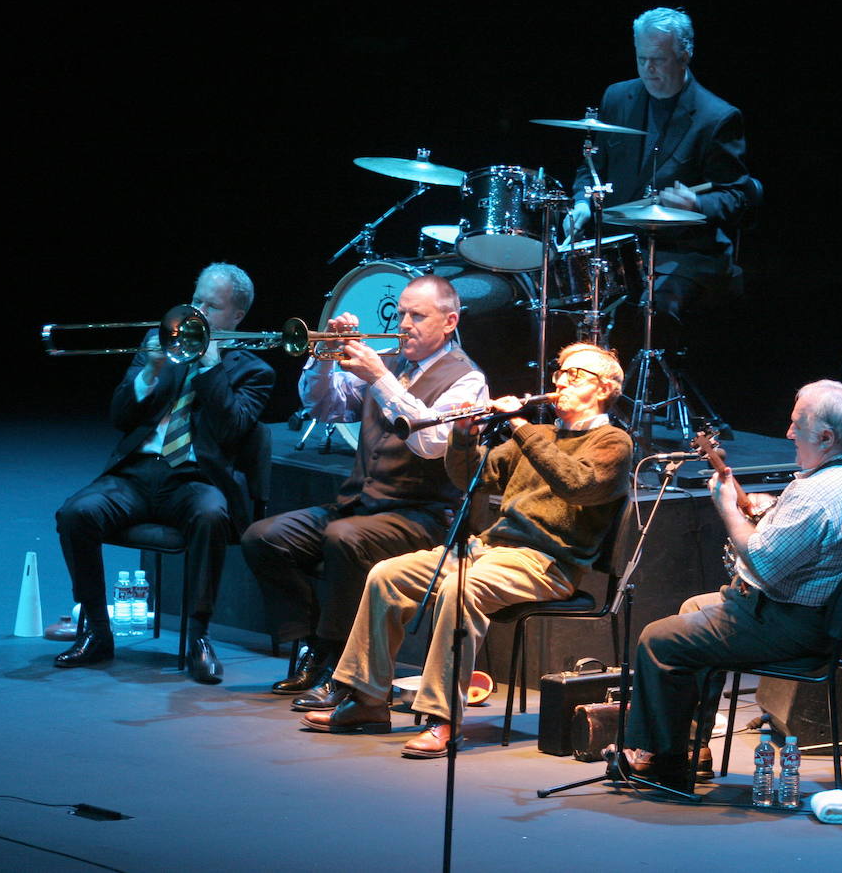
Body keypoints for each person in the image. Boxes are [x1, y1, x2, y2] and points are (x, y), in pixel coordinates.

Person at [301, 343, 632, 759]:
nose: (560, 381)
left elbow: (576, 484)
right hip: (489, 550)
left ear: (603, 388)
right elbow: (469, 478)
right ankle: (367, 700)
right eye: (560, 372)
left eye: (573, 375)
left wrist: (518, 426)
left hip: (547, 563)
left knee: (462, 589)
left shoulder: (612, 442)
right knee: (388, 575)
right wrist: (463, 435)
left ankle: (445, 718)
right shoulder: (541, 436)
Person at [617, 380, 842, 786]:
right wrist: (774, 510)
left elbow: (762, 563)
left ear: (826, 436)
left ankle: (664, 763)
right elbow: (819, 534)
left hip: (793, 625)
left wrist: (728, 507)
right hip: (825, 621)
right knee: (694, 609)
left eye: (796, 424)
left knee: (658, 640)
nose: (788, 433)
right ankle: (691, 749)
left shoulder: (816, 495)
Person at [240, 275, 487, 705]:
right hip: (361, 505)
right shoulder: (392, 361)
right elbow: (324, 405)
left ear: (449, 322)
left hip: (422, 518)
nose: (403, 323)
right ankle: (311, 647)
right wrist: (325, 358)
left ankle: (342, 671)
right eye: (403, 312)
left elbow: (430, 443)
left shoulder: (467, 380)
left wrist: (379, 379)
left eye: (417, 316)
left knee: (344, 538)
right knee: (264, 538)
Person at [54, 262, 275, 683]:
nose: (198, 311)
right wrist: (151, 371)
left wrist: (210, 367)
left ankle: (199, 638)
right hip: (136, 473)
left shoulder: (254, 371)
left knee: (212, 515)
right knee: (75, 514)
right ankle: (98, 634)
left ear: (236, 317)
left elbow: (232, 430)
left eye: (212, 305)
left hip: (194, 479)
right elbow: (120, 416)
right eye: (196, 300)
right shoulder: (159, 345)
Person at [564, 7, 752, 321]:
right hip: (620, 246)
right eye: (641, 59)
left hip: (683, 250)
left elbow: (737, 196)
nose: (648, 69)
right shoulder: (617, 96)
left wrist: (697, 204)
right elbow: (590, 167)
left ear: (685, 54)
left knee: (651, 310)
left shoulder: (717, 117)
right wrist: (582, 201)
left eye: (659, 59)